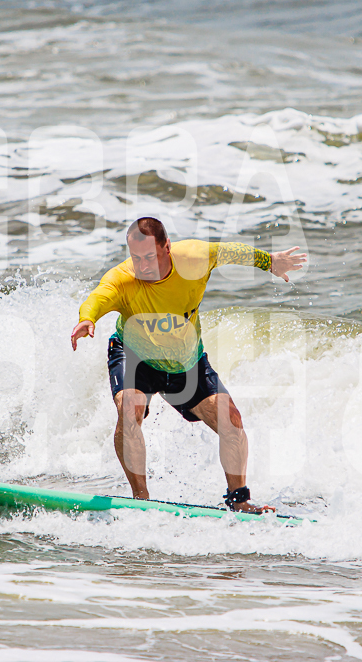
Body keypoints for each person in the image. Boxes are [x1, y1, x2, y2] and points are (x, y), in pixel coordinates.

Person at [70, 217, 307, 514]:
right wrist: (87, 318)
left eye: (150, 256)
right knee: (129, 409)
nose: (143, 266)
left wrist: (269, 261)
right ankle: (141, 500)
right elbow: (99, 296)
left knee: (231, 420)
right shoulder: (123, 279)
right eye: (136, 258)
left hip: (185, 363)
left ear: (167, 247)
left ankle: (239, 501)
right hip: (134, 356)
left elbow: (230, 251)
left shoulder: (193, 258)